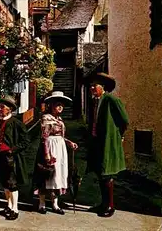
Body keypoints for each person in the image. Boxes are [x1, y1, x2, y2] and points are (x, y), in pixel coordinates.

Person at [87, 73, 129, 218]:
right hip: (97, 142)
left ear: (102, 87)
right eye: (91, 85)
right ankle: (103, 204)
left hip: (108, 143)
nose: (92, 88)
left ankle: (110, 206)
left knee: (107, 174)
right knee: (100, 173)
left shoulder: (111, 100)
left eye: (95, 85)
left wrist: (118, 136)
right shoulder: (94, 101)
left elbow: (124, 120)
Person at [36, 91, 78, 215]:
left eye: (62, 105)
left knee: (58, 175)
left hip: (60, 149)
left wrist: (69, 142)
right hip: (49, 148)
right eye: (57, 104)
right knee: (46, 174)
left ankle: (55, 204)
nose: (60, 107)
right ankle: (42, 204)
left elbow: (60, 136)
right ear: (51, 105)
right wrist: (47, 154)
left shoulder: (59, 119)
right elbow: (44, 138)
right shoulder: (46, 118)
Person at [0, 95, 30, 221]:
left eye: (2, 107)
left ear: (9, 109)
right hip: (0, 157)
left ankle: (15, 209)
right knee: (5, 183)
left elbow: (25, 141)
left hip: (11, 158)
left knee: (12, 184)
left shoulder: (16, 123)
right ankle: (8, 206)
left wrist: (12, 150)